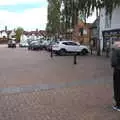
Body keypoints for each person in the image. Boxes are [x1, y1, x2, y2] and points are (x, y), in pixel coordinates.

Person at [111, 42, 120, 111]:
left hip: (118, 71)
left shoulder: (116, 51)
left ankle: (118, 105)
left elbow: (113, 62)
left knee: (117, 87)